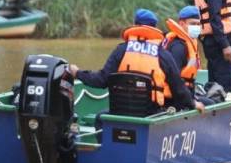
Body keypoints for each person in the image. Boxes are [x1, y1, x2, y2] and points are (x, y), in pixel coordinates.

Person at [69, 9, 204, 114]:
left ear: (135, 25)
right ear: (154, 28)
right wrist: (193, 103)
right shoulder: (163, 54)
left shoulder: (121, 50)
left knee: (100, 117)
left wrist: (77, 73)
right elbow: (178, 88)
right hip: (152, 113)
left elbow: (101, 80)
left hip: (121, 111)